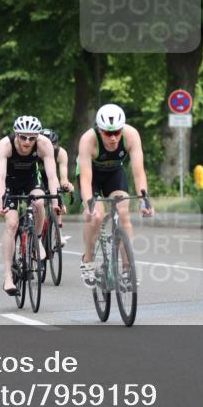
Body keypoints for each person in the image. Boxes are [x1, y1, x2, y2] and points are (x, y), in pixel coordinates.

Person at [76, 103, 153, 288]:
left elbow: (138, 172)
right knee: (96, 216)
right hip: (91, 176)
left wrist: (144, 200)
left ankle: (128, 270)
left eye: (117, 132)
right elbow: (86, 179)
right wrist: (89, 206)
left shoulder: (131, 135)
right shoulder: (88, 139)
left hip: (114, 174)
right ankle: (87, 261)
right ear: (99, 130)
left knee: (123, 212)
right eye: (107, 133)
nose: (113, 138)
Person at [0, 115, 61, 296]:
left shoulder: (44, 144)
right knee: (12, 223)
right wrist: (1, 201)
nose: (27, 142)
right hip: (10, 182)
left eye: (32, 138)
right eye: (23, 137)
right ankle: (8, 276)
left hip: (31, 179)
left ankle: (37, 239)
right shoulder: (5, 145)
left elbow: (52, 176)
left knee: (39, 202)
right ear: (16, 134)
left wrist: (55, 202)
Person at [38, 128, 74, 226]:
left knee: (57, 188)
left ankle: (58, 228)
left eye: (52, 145)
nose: (48, 148)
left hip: (52, 179)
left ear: (57, 144)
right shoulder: (34, 152)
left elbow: (63, 178)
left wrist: (67, 185)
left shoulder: (61, 153)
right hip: (37, 179)